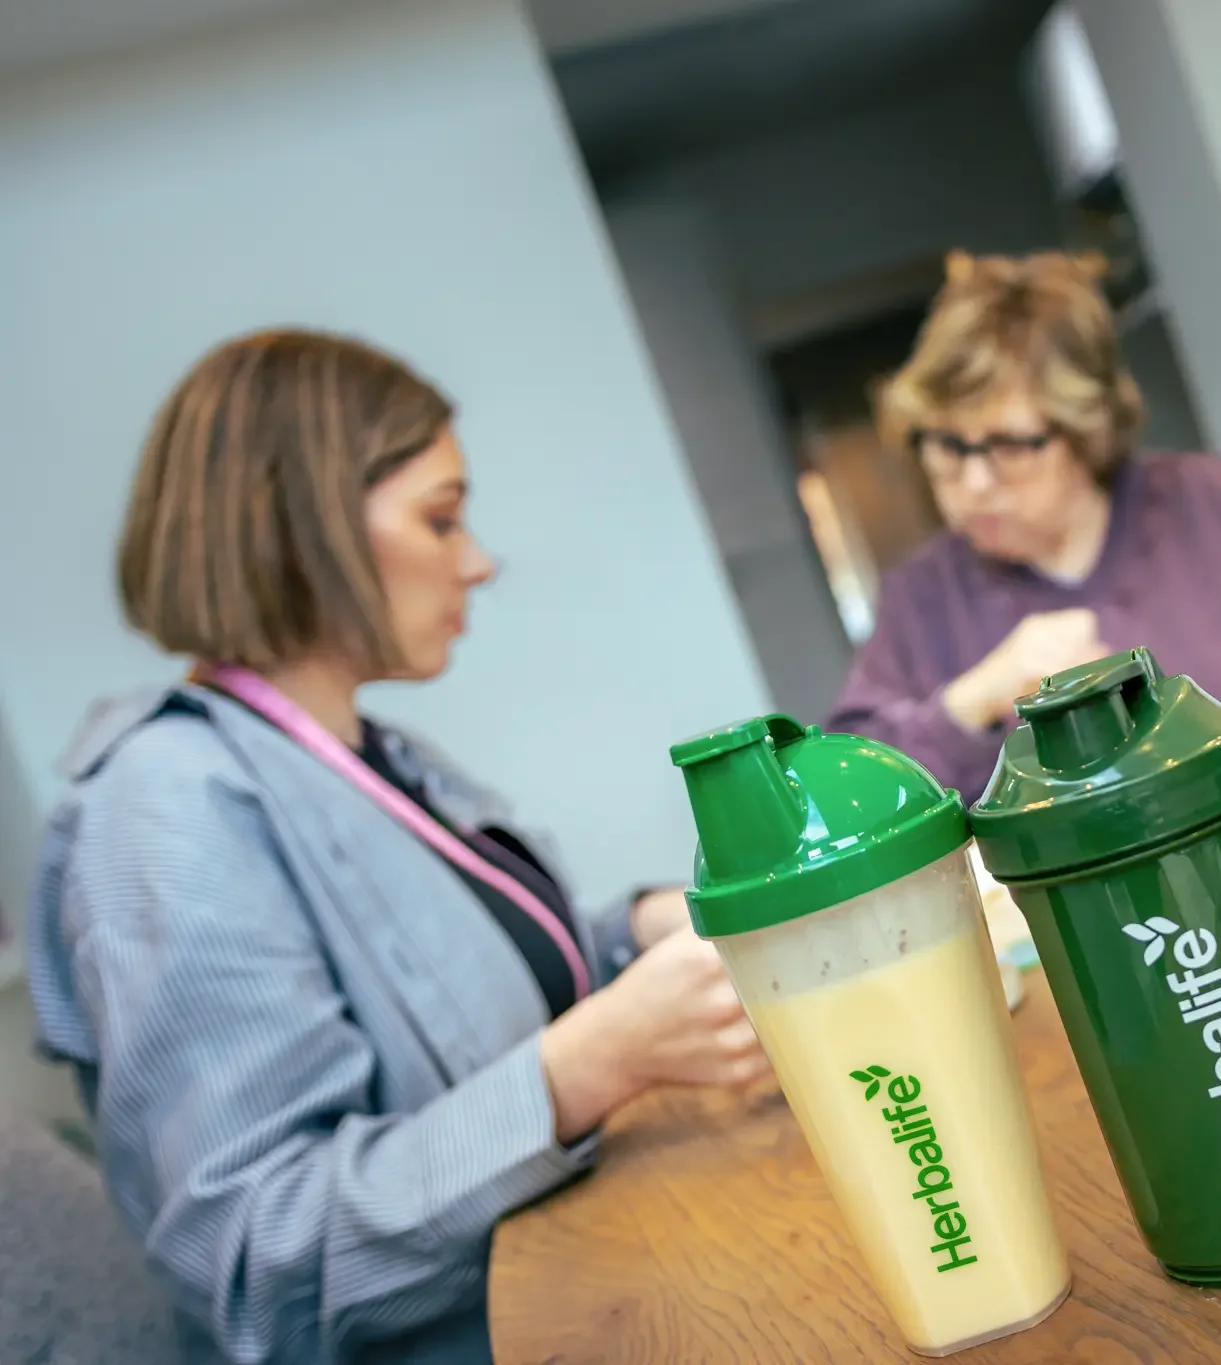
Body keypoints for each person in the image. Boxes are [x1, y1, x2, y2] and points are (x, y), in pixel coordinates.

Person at [27, 331, 770, 1365]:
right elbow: (256, 1262)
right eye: (440, 519)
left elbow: (478, 992)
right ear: (303, 530)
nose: (478, 560)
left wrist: (641, 928)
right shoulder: (164, 810)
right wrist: (589, 1065)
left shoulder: (368, 754)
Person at [826, 251, 1221, 798]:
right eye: (948, 446)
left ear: (1086, 432)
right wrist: (973, 700)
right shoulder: (924, 597)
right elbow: (860, 791)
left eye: (1010, 446)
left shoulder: (1212, 502)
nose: (973, 482)